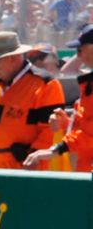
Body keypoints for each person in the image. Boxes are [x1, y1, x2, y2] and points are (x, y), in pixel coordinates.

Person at [0, 31, 65, 169]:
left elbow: (49, 132)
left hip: (22, 167)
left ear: (13, 58)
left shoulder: (46, 84)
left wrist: (34, 157)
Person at [25, 26, 93, 171]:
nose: (78, 56)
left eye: (80, 50)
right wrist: (67, 124)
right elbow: (86, 127)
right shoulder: (88, 84)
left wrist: (57, 149)